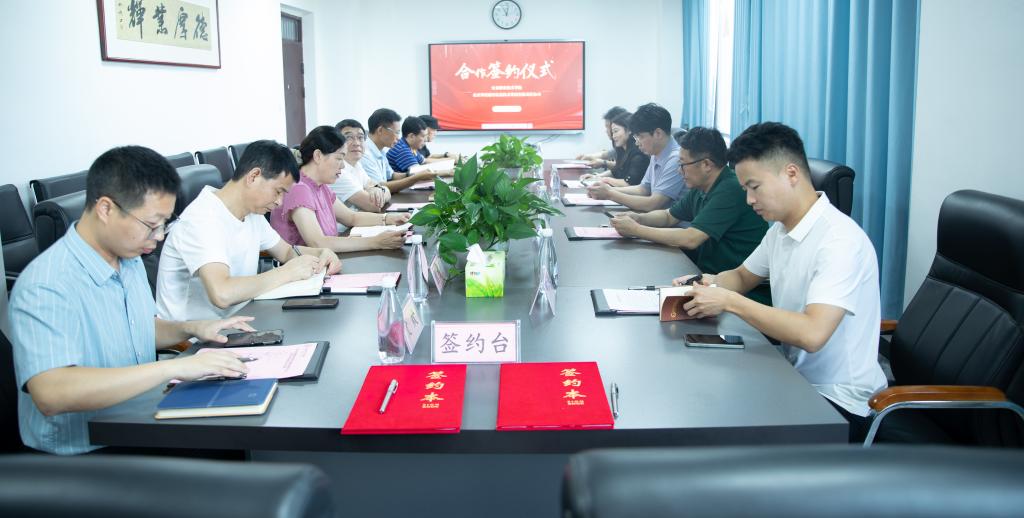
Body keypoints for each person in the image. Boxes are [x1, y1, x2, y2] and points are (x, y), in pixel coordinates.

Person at [9, 146, 255, 455]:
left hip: (137, 421)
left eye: (165, 223)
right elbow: (52, 393)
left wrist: (193, 327)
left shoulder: (128, 258)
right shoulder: (46, 284)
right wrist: (174, 368)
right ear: (106, 209)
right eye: (152, 224)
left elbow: (140, 328)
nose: (160, 236)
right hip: (86, 451)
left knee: (239, 436)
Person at [674, 122, 887, 441]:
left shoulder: (839, 241)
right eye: (745, 189)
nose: (749, 199)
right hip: (794, 376)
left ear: (791, 174)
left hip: (839, 403)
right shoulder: (781, 229)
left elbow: (812, 334)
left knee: (715, 423)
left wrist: (728, 301)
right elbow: (742, 276)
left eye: (754, 187)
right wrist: (708, 283)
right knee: (699, 389)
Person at [156, 140, 342, 322]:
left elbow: (285, 251)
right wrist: (287, 273)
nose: (279, 202)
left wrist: (321, 254)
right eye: (278, 191)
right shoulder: (203, 219)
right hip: (196, 336)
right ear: (253, 176)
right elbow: (222, 293)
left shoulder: (252, 212)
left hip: (241, 318)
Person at [610, 127, 770, 304]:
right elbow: (669, 216)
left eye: (683, 164)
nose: (680, 171)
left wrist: (637, 230)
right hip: (708, 278)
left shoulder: (730, 188)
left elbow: (691, 238)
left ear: (706, 165)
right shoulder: (701, 187)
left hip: (742, 292)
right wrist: (638, 218)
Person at [270, 126, 411, 253]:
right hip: (305, 268)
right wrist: (375, 242)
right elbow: (317, 243)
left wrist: (389, 218)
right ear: (318, 156)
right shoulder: (299, 188)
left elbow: (351, 217)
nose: (343, 166)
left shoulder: (320, 186)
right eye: (339, 158)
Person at [586, 103, 686, 212]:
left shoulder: (675, 159)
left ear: (658, 133)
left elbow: (653, 204)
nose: (637, 143)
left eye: (640, 137)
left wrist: (610, 194)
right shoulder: (656, 153)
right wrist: (608, 189)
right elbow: (643, 189)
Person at [361, 108, 436, 193]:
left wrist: (412, 174)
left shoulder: (380, 151)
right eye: (396, 132)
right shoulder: (365, 154)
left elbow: (392, 175)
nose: (398, 137)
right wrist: (415, 178)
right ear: (380, 130)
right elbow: (379, 187)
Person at [332, 119, 389, 212]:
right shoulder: (338, 171)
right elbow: (374, 205)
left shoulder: (357, 165)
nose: (356, 143)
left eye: (360, 137)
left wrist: (377, 189)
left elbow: (372, 185)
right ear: (336, 143)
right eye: (348, 137)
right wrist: (384, 190)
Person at [579, 111, 649, 187]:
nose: (613, 136)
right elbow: (616, 171)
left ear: (629, 130)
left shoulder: (638, 155)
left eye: (616, 131)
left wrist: (603, 180)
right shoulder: (622, 150)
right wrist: (596, 177)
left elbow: (628, 183)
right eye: (612, 132)